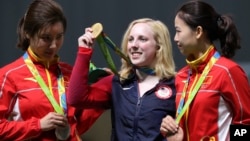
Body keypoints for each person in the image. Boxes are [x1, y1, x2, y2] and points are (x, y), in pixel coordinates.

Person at [0, 0, 104, 140]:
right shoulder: (9, 75)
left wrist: (105, 90)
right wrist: (38, 125)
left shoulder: (70, 73)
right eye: (46, 38)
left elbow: (77, 126)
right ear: (28, 33)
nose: (54, 45)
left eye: (59, 37)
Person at [67, 18, 177, 141]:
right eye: (131, 39)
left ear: (159, 46)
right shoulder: (117, 83)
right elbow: (76, 99)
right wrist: (84, 51)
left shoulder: (175, 85)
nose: (134, 45)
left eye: (142, 39)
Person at [160, 0, 250, 141]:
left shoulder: (228, 71)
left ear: (198, 32)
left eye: (178, 31)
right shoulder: (181, 76)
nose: (175, 38)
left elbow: (246, 122)